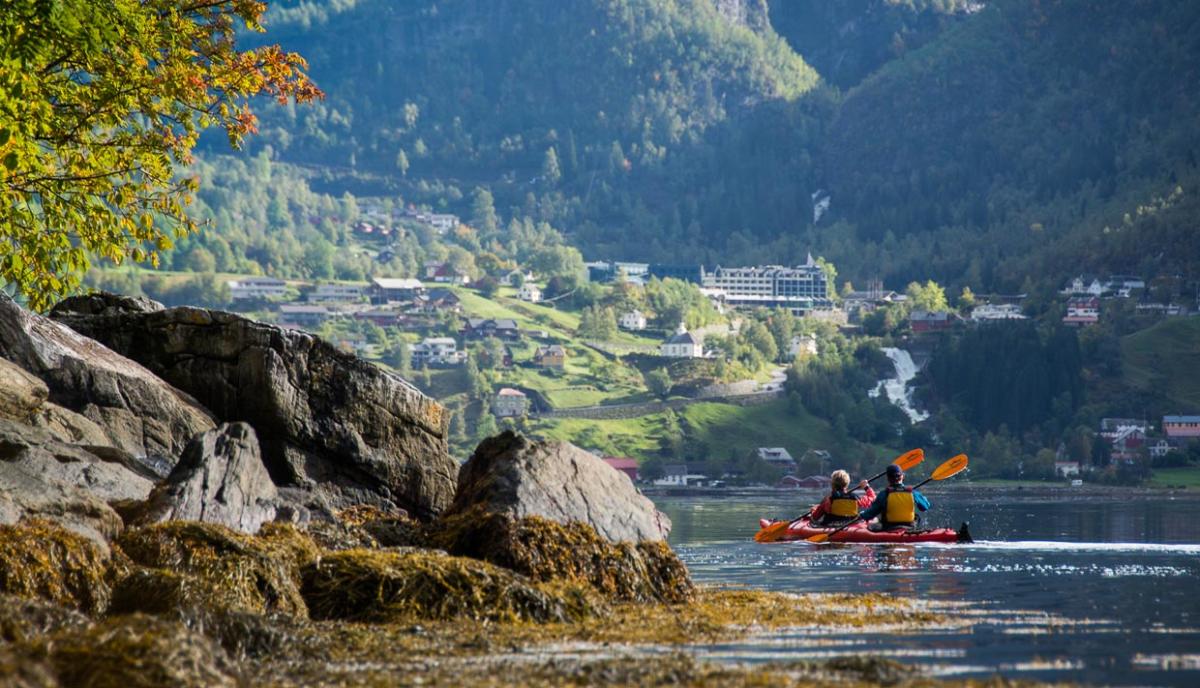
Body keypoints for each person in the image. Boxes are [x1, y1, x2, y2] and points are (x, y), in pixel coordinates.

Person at [858, 463, 929, 531]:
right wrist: (923, 498)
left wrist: (861, 515)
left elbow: (870, 514)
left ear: (888, 478)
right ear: (902, 476)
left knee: (873, 525)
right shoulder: (913, 493)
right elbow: (925, 507)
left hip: (889, 528)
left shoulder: (884, 494)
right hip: (910, 528)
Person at [810, 469, 876, 527]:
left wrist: (813, 510)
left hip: (831, 526)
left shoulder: (828, 499)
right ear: (847, 484)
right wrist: (866, 487)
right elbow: (873, 499)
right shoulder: (856, 498)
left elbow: (815, 518)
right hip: (851, 526)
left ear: (832, 484)